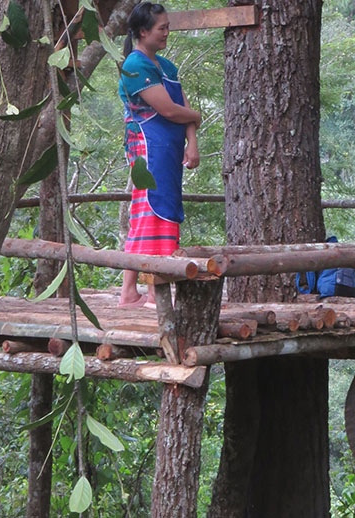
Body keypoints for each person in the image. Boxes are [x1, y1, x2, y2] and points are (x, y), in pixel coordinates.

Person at [117, 2, 201, 307]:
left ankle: (138, 290)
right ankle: (152, 290)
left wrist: (192, 141)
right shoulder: (135, 66)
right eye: (161, 28)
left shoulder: (166, 67)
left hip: (170, 149)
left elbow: (184, 110)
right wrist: (195, 115)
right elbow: (169, 110)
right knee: (152, 211)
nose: (167, 32)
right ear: (143, 32)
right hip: (147, 149)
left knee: (158, 211)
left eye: (167, 27)